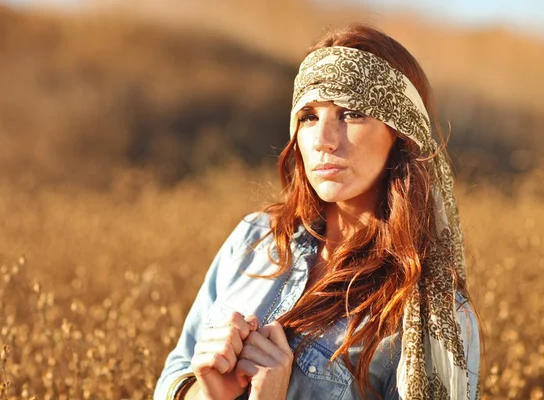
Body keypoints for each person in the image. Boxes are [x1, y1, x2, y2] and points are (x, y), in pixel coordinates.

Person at [154, 24, 480, 400]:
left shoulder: (431, 312)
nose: (324, 140)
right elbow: (174, 377)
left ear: (402, 132)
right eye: (309, 116)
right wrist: (206, 394)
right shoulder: (254, 238)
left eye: (351, 113)